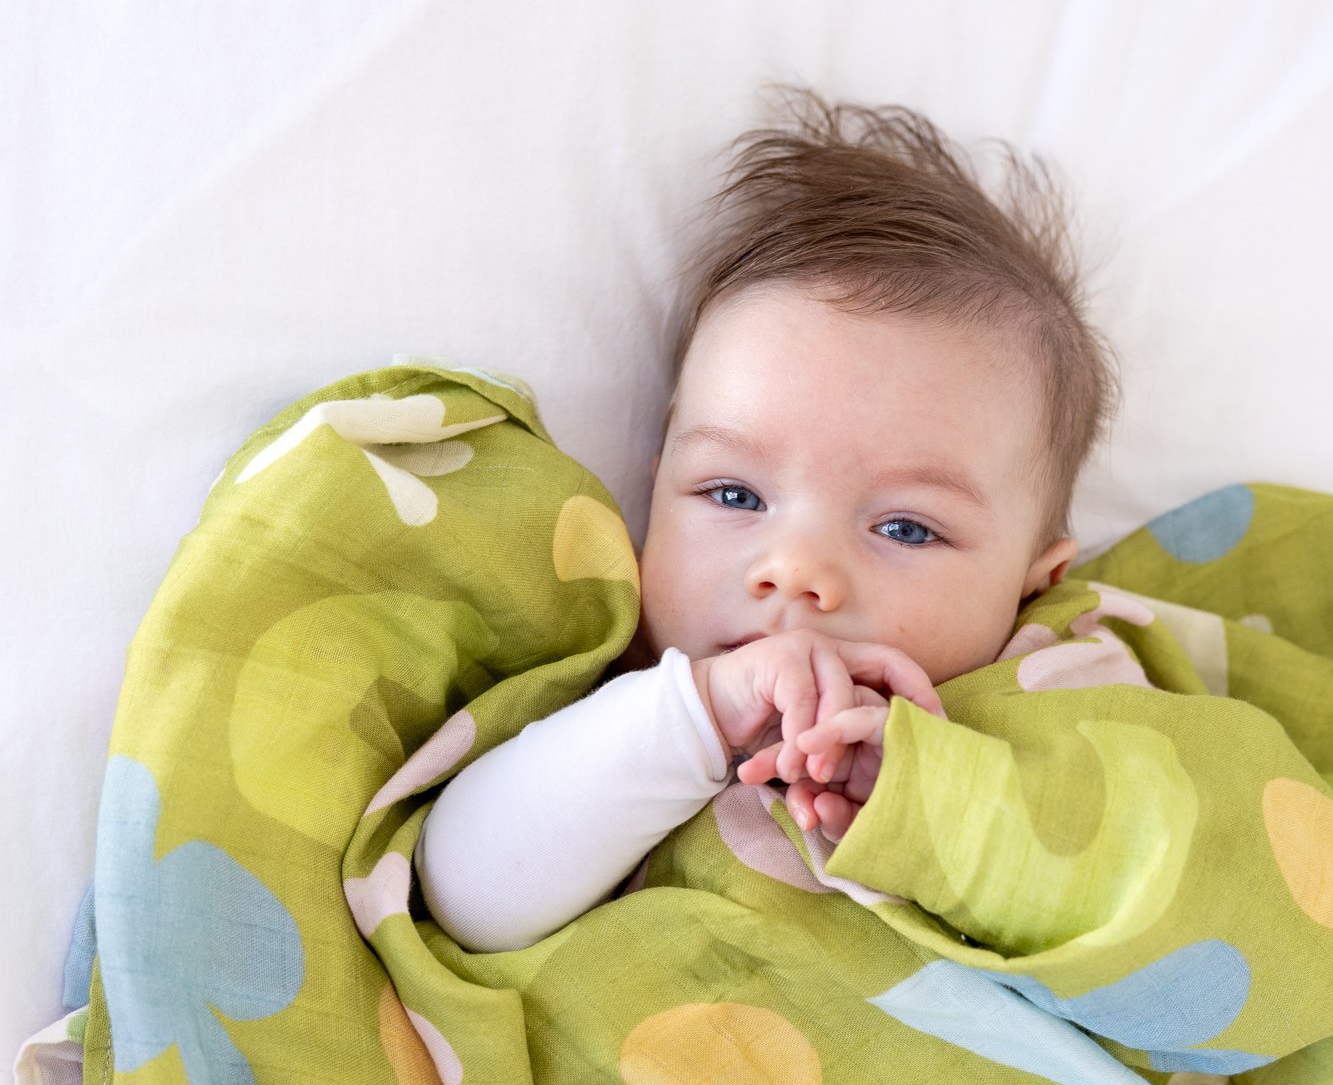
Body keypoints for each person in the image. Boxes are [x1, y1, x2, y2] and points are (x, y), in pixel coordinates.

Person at [414, 86, 1121, 952]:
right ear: (654, 494)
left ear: (1033, 581)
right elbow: (464, 898)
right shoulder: (622, 699)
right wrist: (696, 715)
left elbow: (1159, 913)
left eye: (904, 528)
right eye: (734, 496)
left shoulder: (1055, 698)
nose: (795, 570)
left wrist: (938, 808)